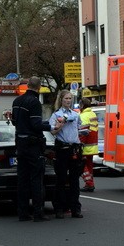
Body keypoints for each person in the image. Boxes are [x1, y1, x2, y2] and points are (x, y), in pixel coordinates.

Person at [11, 76, 51, 221]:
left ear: (27, 85)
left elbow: (15, 122)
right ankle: (38, 212)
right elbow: (36, 124)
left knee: (22, 179)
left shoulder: (17, 101)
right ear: (39, 87)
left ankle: (22, 212)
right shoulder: (34, 102)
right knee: (36, 179)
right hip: (33, 144)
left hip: (20, 144)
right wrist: (51, 126)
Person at [49, 90, 84, 219]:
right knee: (61, 179)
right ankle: (59, 208)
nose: (68, 101)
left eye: (70, 99)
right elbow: (52, 131)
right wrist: (60, 124)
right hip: (62, 149)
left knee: (75, 180)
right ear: (61, 100)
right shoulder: (56, 115)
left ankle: (75, 208)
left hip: (74, 148)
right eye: (66, 99)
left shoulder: (75, 115)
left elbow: (79, 126)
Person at [78, 97, 99, 192]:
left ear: (82, 105)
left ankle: (89, 183)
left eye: (79, 105)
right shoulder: (92, 113)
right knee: (89, 166)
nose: (79, 106)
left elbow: (83, 132)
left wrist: (80, 145)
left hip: (85, 146)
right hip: (92, 146)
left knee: (81, 165)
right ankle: (91, 183)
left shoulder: (83, 116)